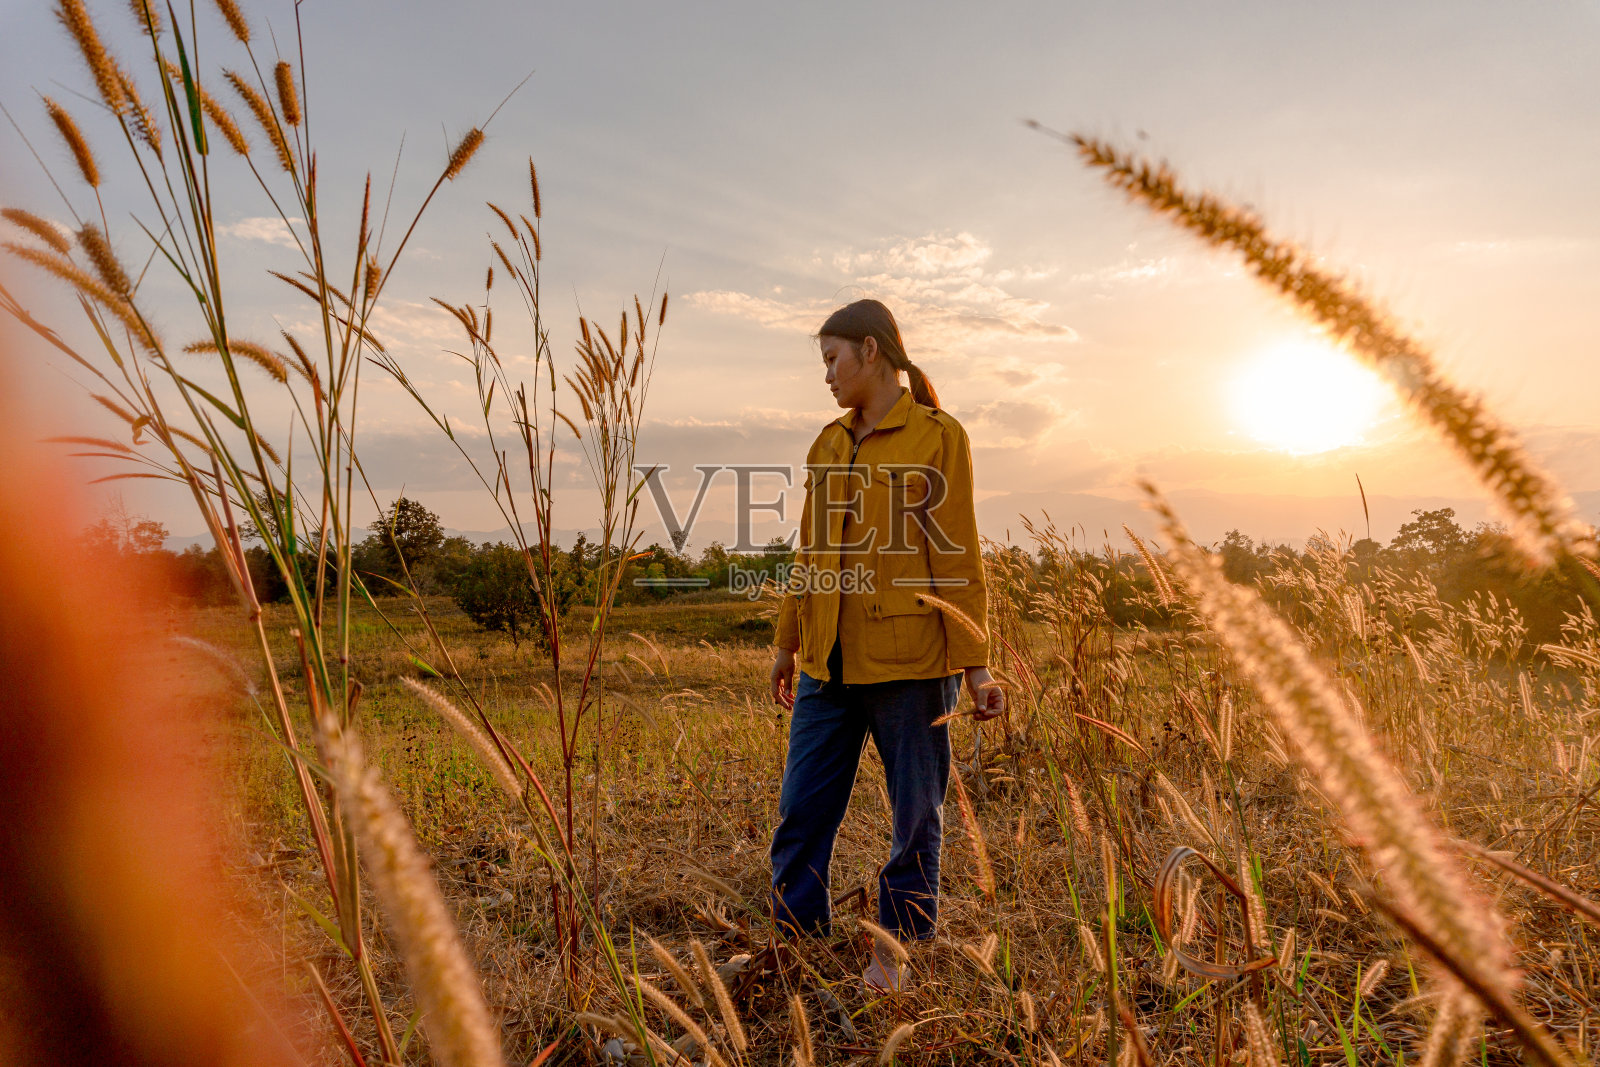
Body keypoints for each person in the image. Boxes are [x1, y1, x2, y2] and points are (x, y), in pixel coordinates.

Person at [768, 298, 1005, 993]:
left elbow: (956, 550)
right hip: (826, 665)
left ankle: (898, 952)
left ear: (872, 351)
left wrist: (975, 662)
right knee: (802, 809)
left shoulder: (938, 436)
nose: (828, 376)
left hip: (909, 663)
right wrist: (788, 642)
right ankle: (795, 941)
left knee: (914, 818)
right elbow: (808, 549)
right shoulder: (827, 443)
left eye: (832, 360)